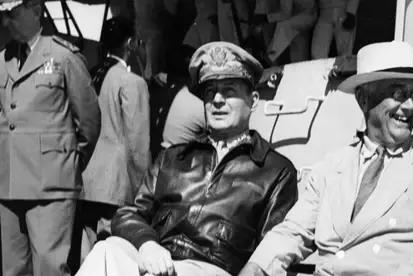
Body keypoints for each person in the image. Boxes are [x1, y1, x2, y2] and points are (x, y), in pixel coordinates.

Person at [239, 41, 413, 276]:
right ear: (363, 99)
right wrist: (257, 266)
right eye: (399, 93)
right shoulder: (331, 166)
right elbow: (293, 231)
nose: (409, 106)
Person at [75, 41, 299, 276]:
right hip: (158, 260)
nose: (218, 100)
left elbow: (273, 248)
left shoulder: (275, 171)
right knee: (105, 251)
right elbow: (129, 213)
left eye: (229, 91)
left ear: (253, 100)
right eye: (210, 92)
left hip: (212, 270)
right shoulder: (173, 157)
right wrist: (147, 243)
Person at [0, 0, 101, 275]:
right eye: (4, 15)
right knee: (12, 269)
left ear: (36, 11)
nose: (6, 21)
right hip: (8, 183)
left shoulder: (63, 57)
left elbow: (89, 123)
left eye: (12, 13)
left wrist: (65, 164)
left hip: (51, 184)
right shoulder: (3, 59)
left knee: (49, 268)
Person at [79, 15, 151, 256]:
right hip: (117, 186)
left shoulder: (88, 74)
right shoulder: (132, 82)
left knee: (87, 256)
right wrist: (144, 190)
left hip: (85, 181)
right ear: (130, 43)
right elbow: (138, 145)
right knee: (112, 255)